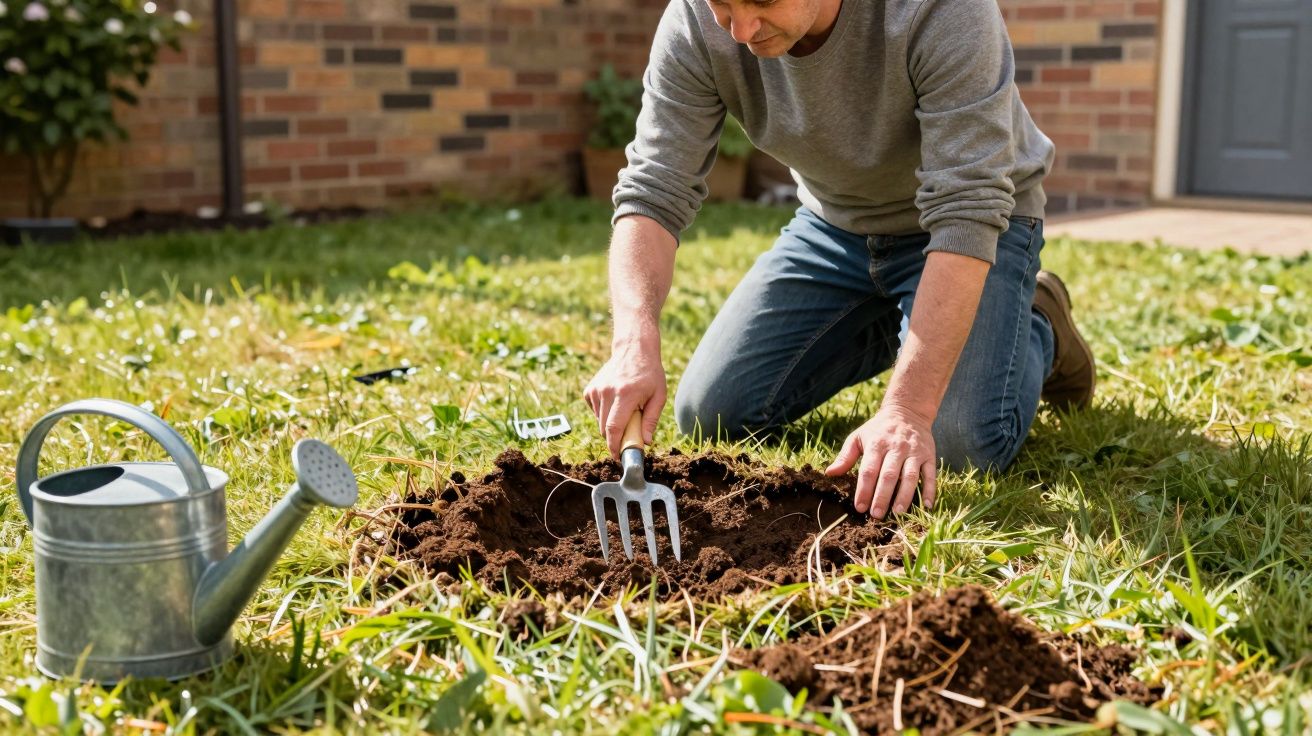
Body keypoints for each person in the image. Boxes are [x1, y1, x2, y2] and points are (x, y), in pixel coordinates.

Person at [583, 0, 1095, 521]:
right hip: (836, 228)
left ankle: (1036, 324)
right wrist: (632, 343)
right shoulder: (694, 21)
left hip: (976, 226)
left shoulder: (942, 10)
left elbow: (967, 210)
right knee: (712, 414)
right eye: (722, 5)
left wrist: (908, 411)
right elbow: (653, 190)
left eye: (761, 2)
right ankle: (904, 316)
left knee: (958, 445)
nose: (739, 31)